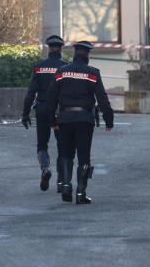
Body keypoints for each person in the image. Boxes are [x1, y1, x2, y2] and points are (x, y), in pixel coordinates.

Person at [46, 41, 114, 204]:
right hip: (85, 120)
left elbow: (51, 98)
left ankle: (67, 186)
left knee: (66, 154)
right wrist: (109, 120)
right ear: (88, 55)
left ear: (75, 53)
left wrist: (52, 120)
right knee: (84, 156)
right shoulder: (93, 73)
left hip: (65, 118)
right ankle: (81, 193)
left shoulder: (62, 72)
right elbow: (102, 98)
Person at [22, 35, 68, 192]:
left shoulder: (39, 66)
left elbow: (31, 92)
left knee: (42, 143)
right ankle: (62, 179)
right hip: (60, 111)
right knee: (63, 146)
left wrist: (25, 113)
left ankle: (45, 168)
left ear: (49, 48)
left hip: (42, 108)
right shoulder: (66, 67)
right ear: (61, 48)